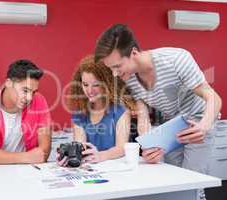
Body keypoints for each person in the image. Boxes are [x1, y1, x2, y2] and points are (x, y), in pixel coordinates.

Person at [94, 24, 222, 199]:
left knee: (193, 181)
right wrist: (149, 145)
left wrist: (204, 126)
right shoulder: (128, 80)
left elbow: (213, 97)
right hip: (172, 126)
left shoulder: (176, 58)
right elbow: (143, 116)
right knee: (173, 180)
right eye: (111, 68)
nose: (115, 74)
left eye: (118, 66)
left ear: (133, 53)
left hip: (199, 119)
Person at [0, 59, 52, 164]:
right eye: (25, 90)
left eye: (33, 92)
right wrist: (27, 157)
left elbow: (43, 151)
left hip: (29, 171)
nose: (30, 98)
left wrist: (35, 157)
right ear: (8, 83)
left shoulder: (38, 100)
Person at [57, 55, 135, 166]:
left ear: (107, 84)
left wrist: (101, 155)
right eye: (85, 84)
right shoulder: (79, 113)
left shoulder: (120, 111)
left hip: (117, 169)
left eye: (96, 85)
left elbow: (122, 148)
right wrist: (69, 155)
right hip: (94, 170)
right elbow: (81, 145)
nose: (89, 90)